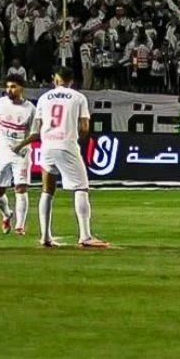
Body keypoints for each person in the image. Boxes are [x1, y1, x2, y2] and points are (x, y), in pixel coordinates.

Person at [12, 66, 108, 248]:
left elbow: (37, 128)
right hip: (66, 144)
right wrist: (74, 139)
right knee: (81, 188)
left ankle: (45, 236)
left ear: (55, 80)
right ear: (72, 81)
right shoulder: (79, 97)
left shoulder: (43, 98)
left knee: (47, 191)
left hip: (47, 146)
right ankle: (85, 236)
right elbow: (85, 127)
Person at [0, 74, 36, 236]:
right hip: (3, 152)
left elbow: (35, 133)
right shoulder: (1, 103)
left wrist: (21, 145)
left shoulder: (30, 109)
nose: (10, 90)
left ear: (22, 88)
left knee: (20, 188)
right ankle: (6, 214)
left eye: (13, 86)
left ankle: (20, 225)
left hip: (21, 154)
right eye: (8, 86)